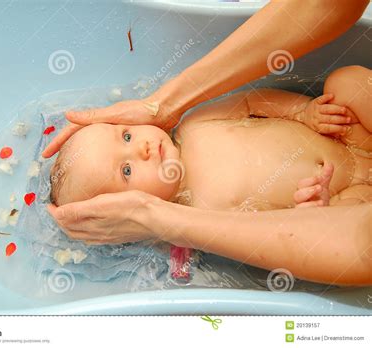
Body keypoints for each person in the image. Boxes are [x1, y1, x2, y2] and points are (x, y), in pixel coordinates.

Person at [44, 0, 372, 285]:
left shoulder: (196, 123)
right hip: (350, 201)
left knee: (345, 82)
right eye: (126, 170)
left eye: (126, 136)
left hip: (351, 138)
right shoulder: (204, 219)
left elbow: (251, 103)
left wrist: (303, 112)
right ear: (122, 215)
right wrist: (314, 211)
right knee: (328, 241)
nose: (141, 148)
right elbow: (276, 234)